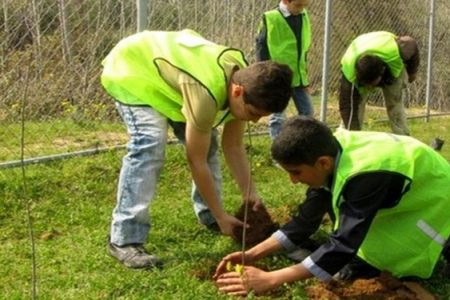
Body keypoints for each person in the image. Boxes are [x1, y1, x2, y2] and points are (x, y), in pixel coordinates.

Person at [101, 29, 293, 269]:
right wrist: (223, 215)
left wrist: (250, 194)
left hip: (173, 78)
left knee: (208, 141)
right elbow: (196, 161)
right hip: (134, 67)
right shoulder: (206, 92)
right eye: (253, 114)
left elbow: (233, 146)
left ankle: (209, 215)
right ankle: (124, 238)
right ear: (237, 92)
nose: (254, 121)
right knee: (149, 142)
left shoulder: (246, 80)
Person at [214, 116, 450, 296]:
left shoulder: (362, 176)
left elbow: (344, 244)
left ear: (323, 163)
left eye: (296, 172)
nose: (293, 180)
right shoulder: (330, 150)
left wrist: (274, 278)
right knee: (361, 255)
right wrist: (252, 254)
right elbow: (306, 220)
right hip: (402, 190)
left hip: (435, 199)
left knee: (382, 263)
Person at [339, 31, 420, 136]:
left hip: (388, 58)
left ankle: (403, 138)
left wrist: (412, 72)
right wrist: (353, 137)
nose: (370, 88)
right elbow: (347, 107)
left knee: (395, 105)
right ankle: (346, 138)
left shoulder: (399, 50)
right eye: (366, 85)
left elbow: (411, 43)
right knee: (355, 107)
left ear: (381, 73)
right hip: (360, 50)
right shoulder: (349, 74)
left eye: (371, 84)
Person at [255, 0, 314, 140]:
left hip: (298, 77)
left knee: (307, 112)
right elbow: (261, 48)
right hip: (278, 76)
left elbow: (303, 50)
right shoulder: (270, 18)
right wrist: (263, 74)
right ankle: (278, 149)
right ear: (286, 1)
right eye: (298, 5)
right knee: (278, 116)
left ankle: (301, 144)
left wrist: (304, 77)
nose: (302, 9)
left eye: (305, 6)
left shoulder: (303, 16)